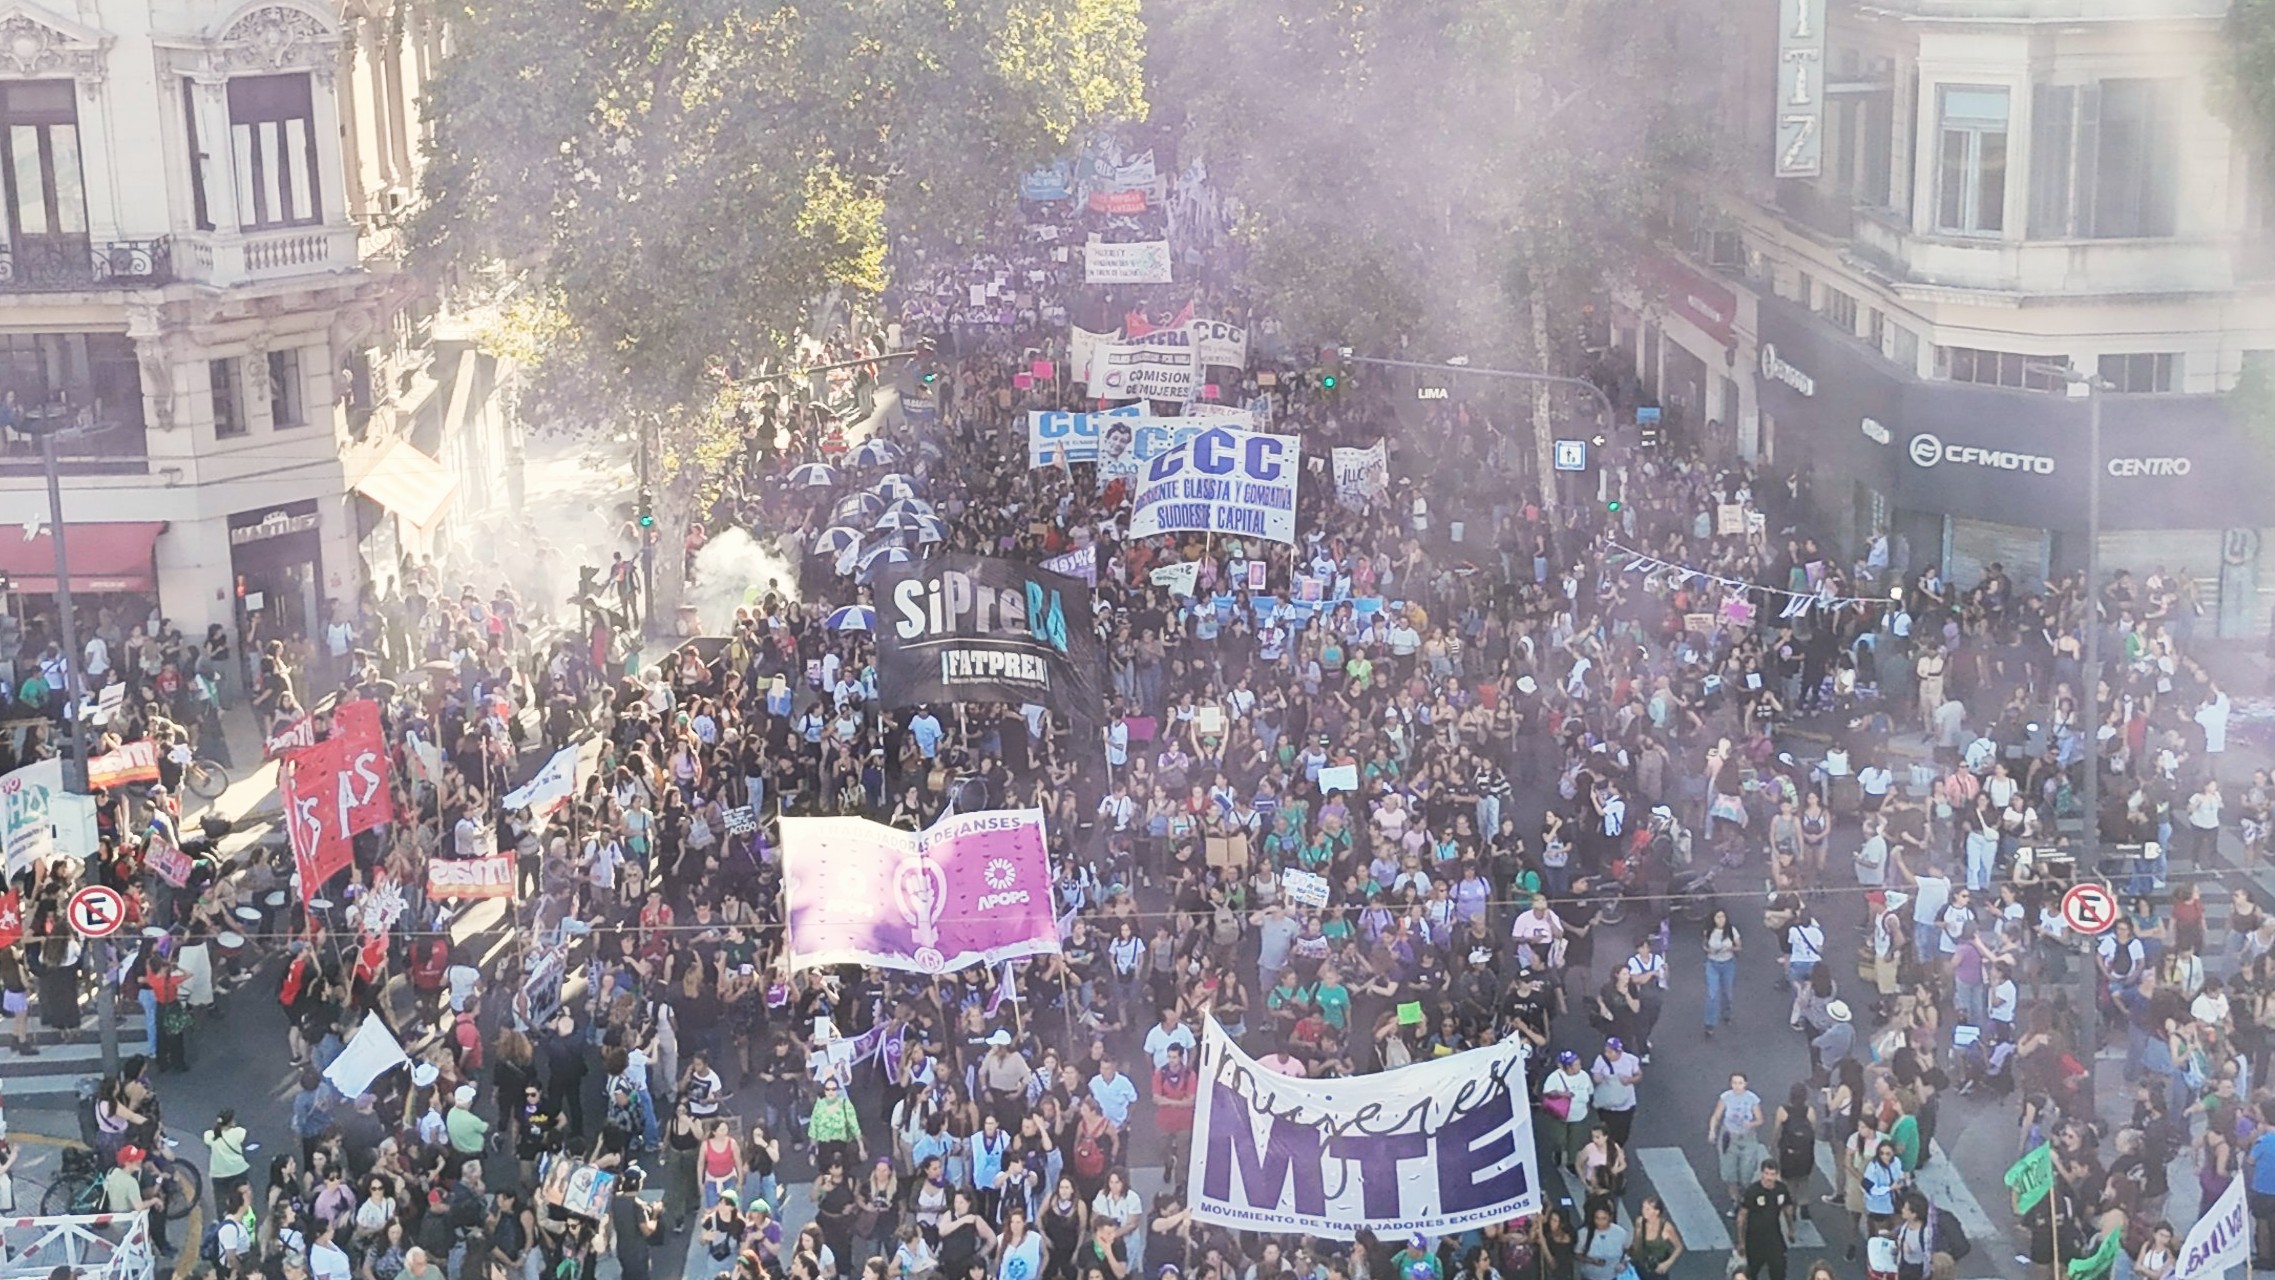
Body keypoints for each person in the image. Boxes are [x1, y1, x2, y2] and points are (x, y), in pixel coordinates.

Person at [1708, 1073, 1767, 1207]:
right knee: (1729, 1173)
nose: (1737, 1086)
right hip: (1729, 1137)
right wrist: (1712, 1131)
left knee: (1746, 1172)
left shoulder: (1752, 1099)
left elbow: (1760, 1119)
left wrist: (1751, 1124)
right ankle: (1735, 1200)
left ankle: (1746, 1196)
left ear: (1745, 1084)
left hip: (1747, 1138)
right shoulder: (1726, 1097)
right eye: (1734, 1083)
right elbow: (1716, 1116)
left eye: (1740, 1083)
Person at [1736, 1160, 1795, 1280]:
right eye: (1766, 1173)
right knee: (1751, 1272)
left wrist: (1791, 1229)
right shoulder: (1753, 1191)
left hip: (1774, 1238)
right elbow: (1742, 1217)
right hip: (1754, 1240)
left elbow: (1788, 1209)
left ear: (1777, 1175)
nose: (1769, 1178)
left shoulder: (1781, 1189)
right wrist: (1741, 1242)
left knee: (1779, 1271)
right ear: (1761, 1173)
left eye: (1772, 1174)